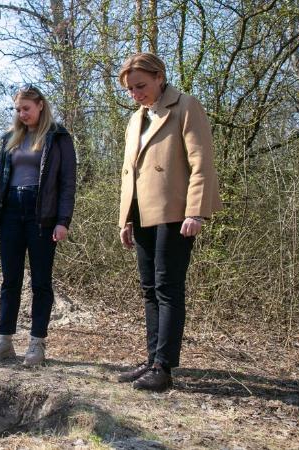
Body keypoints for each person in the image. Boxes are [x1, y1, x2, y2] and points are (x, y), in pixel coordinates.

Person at [116, 53, 222, 391]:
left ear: (160, 76)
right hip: (142, 213)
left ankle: (164, 367)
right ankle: (152, 360)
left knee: (168, 287)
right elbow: (130, 173)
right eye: (130, 89)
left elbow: (201, 162)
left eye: (141, 86)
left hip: (176, 212)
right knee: (149, 289)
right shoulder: (136, 119)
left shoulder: (186, 106)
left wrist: (196, 211)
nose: (135, 94)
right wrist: (126, 219)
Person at [0, 84, 77, 365]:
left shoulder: (58, 138)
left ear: (40, 106)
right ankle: (4, 340)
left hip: (42, 215)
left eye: (26, 108)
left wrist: (62, 221)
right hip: (10, 211)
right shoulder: (10, 138)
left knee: (41, 282)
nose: (22, 114)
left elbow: (67, 184)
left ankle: (37, 343)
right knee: (10, 280)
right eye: (18, 109)